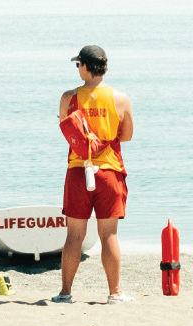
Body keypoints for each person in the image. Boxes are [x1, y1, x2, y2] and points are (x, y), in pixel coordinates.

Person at [52, 45, 135, 305]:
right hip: (109, 171)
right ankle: (115, 293)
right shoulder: (120, 98)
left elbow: (67, 131)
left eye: (78, 64)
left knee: (74, 236)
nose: (78, 68)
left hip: (79, 171)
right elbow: (127, 135)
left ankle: (65, 293)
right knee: (108, 235)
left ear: (86, 67)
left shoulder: (68, 97)